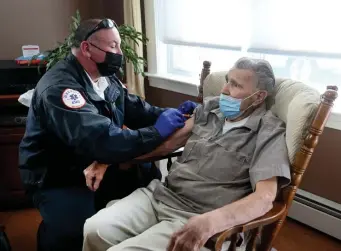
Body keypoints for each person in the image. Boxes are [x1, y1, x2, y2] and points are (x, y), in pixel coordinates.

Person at [18, 18, 197, 251]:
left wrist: (170, 114)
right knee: (76, 231)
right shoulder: (61, 89)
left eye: (119, 46)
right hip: (58, 175)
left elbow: (135, 108)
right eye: (113, 47)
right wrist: (156, 131)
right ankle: (51, 237)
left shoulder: (104, 75)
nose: (119, 53)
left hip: (94, 163)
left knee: (147, 176)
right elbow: (103, 140)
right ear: (86, 49)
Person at [82, 57, 292, 251]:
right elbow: (167, 145)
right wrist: (110, 160)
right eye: (228, 81)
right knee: (94, 229)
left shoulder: (268, 132)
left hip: (198, 216)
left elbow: (264, 198)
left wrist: (212, 222)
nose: (225, 90)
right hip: (162, 196)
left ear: (259, 97)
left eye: (236, 85)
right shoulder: (211, 109)